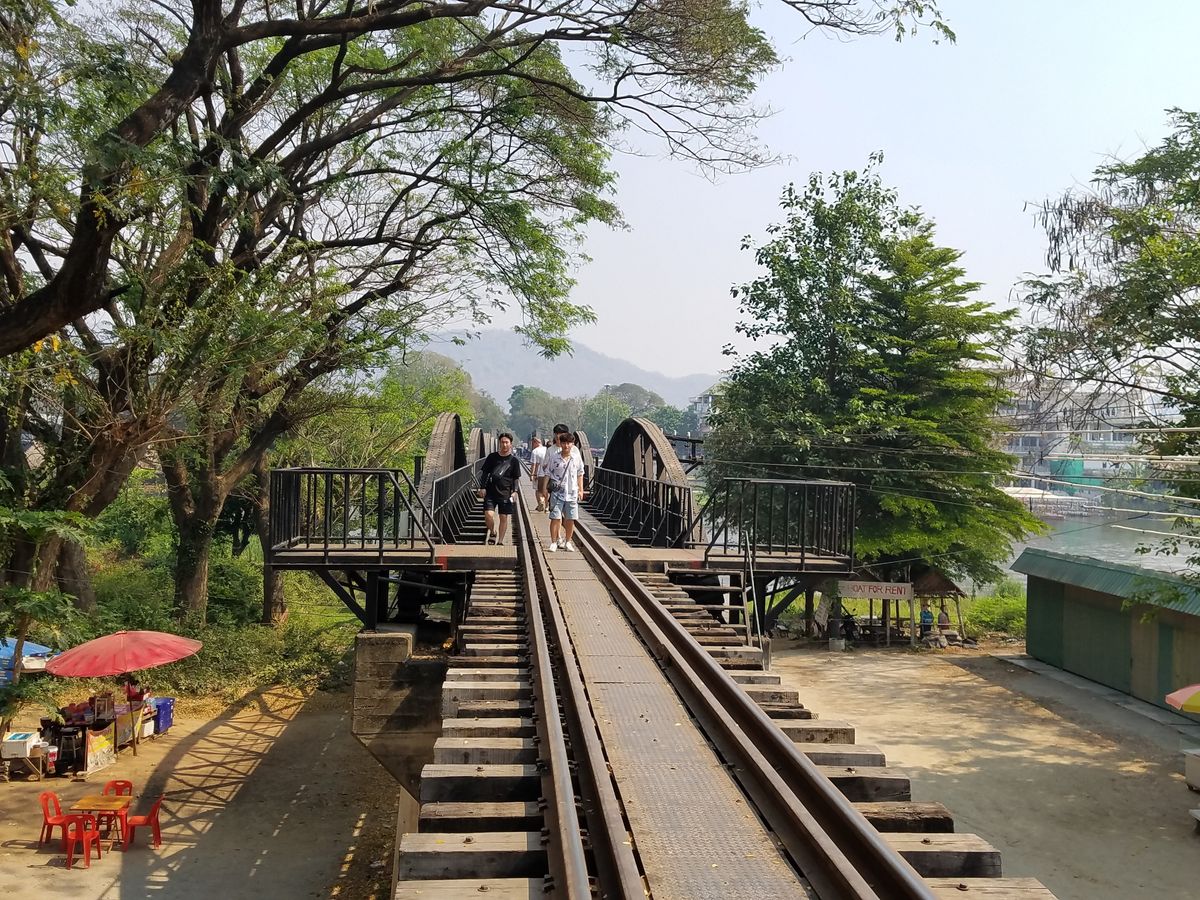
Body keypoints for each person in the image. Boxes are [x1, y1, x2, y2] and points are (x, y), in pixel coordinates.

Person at [544, 430, 586, 552]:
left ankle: (568, 541)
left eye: (569, 443)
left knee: (570, 519)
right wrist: (544, 489)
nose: (566, 445)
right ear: (560, 443)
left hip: (572, 492)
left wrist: (581, 490)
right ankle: (554, 542)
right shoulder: (554, 458)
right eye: (564, 443)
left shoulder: (576, 458)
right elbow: (548, 473)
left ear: (572, 444)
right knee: (555, 518)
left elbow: (580, 474)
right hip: (557, 493)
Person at [477, 433, 522, 545]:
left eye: (507, 442)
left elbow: (515, 478)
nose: (504, 444)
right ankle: (493, 532)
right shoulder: (492, 457)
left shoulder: (514, 461)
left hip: (505, 492)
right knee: (488, 515)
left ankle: (500, 541)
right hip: (491, 491)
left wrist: (515, 491)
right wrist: (482, 487)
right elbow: (485, 473)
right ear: (499, 443)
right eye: (502, 442)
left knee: (503, 517)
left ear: (511, 444)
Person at [529, 435, 548, 512]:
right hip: (548, 474)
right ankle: (547, 507)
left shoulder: (535, 451)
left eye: (532, 443)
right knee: (546, 490)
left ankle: (541, 501)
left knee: (538, 490)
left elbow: (534, 464)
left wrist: (532, 474)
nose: (532, 445)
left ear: (535, 442)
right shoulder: (547, 449)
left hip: (539, 474)